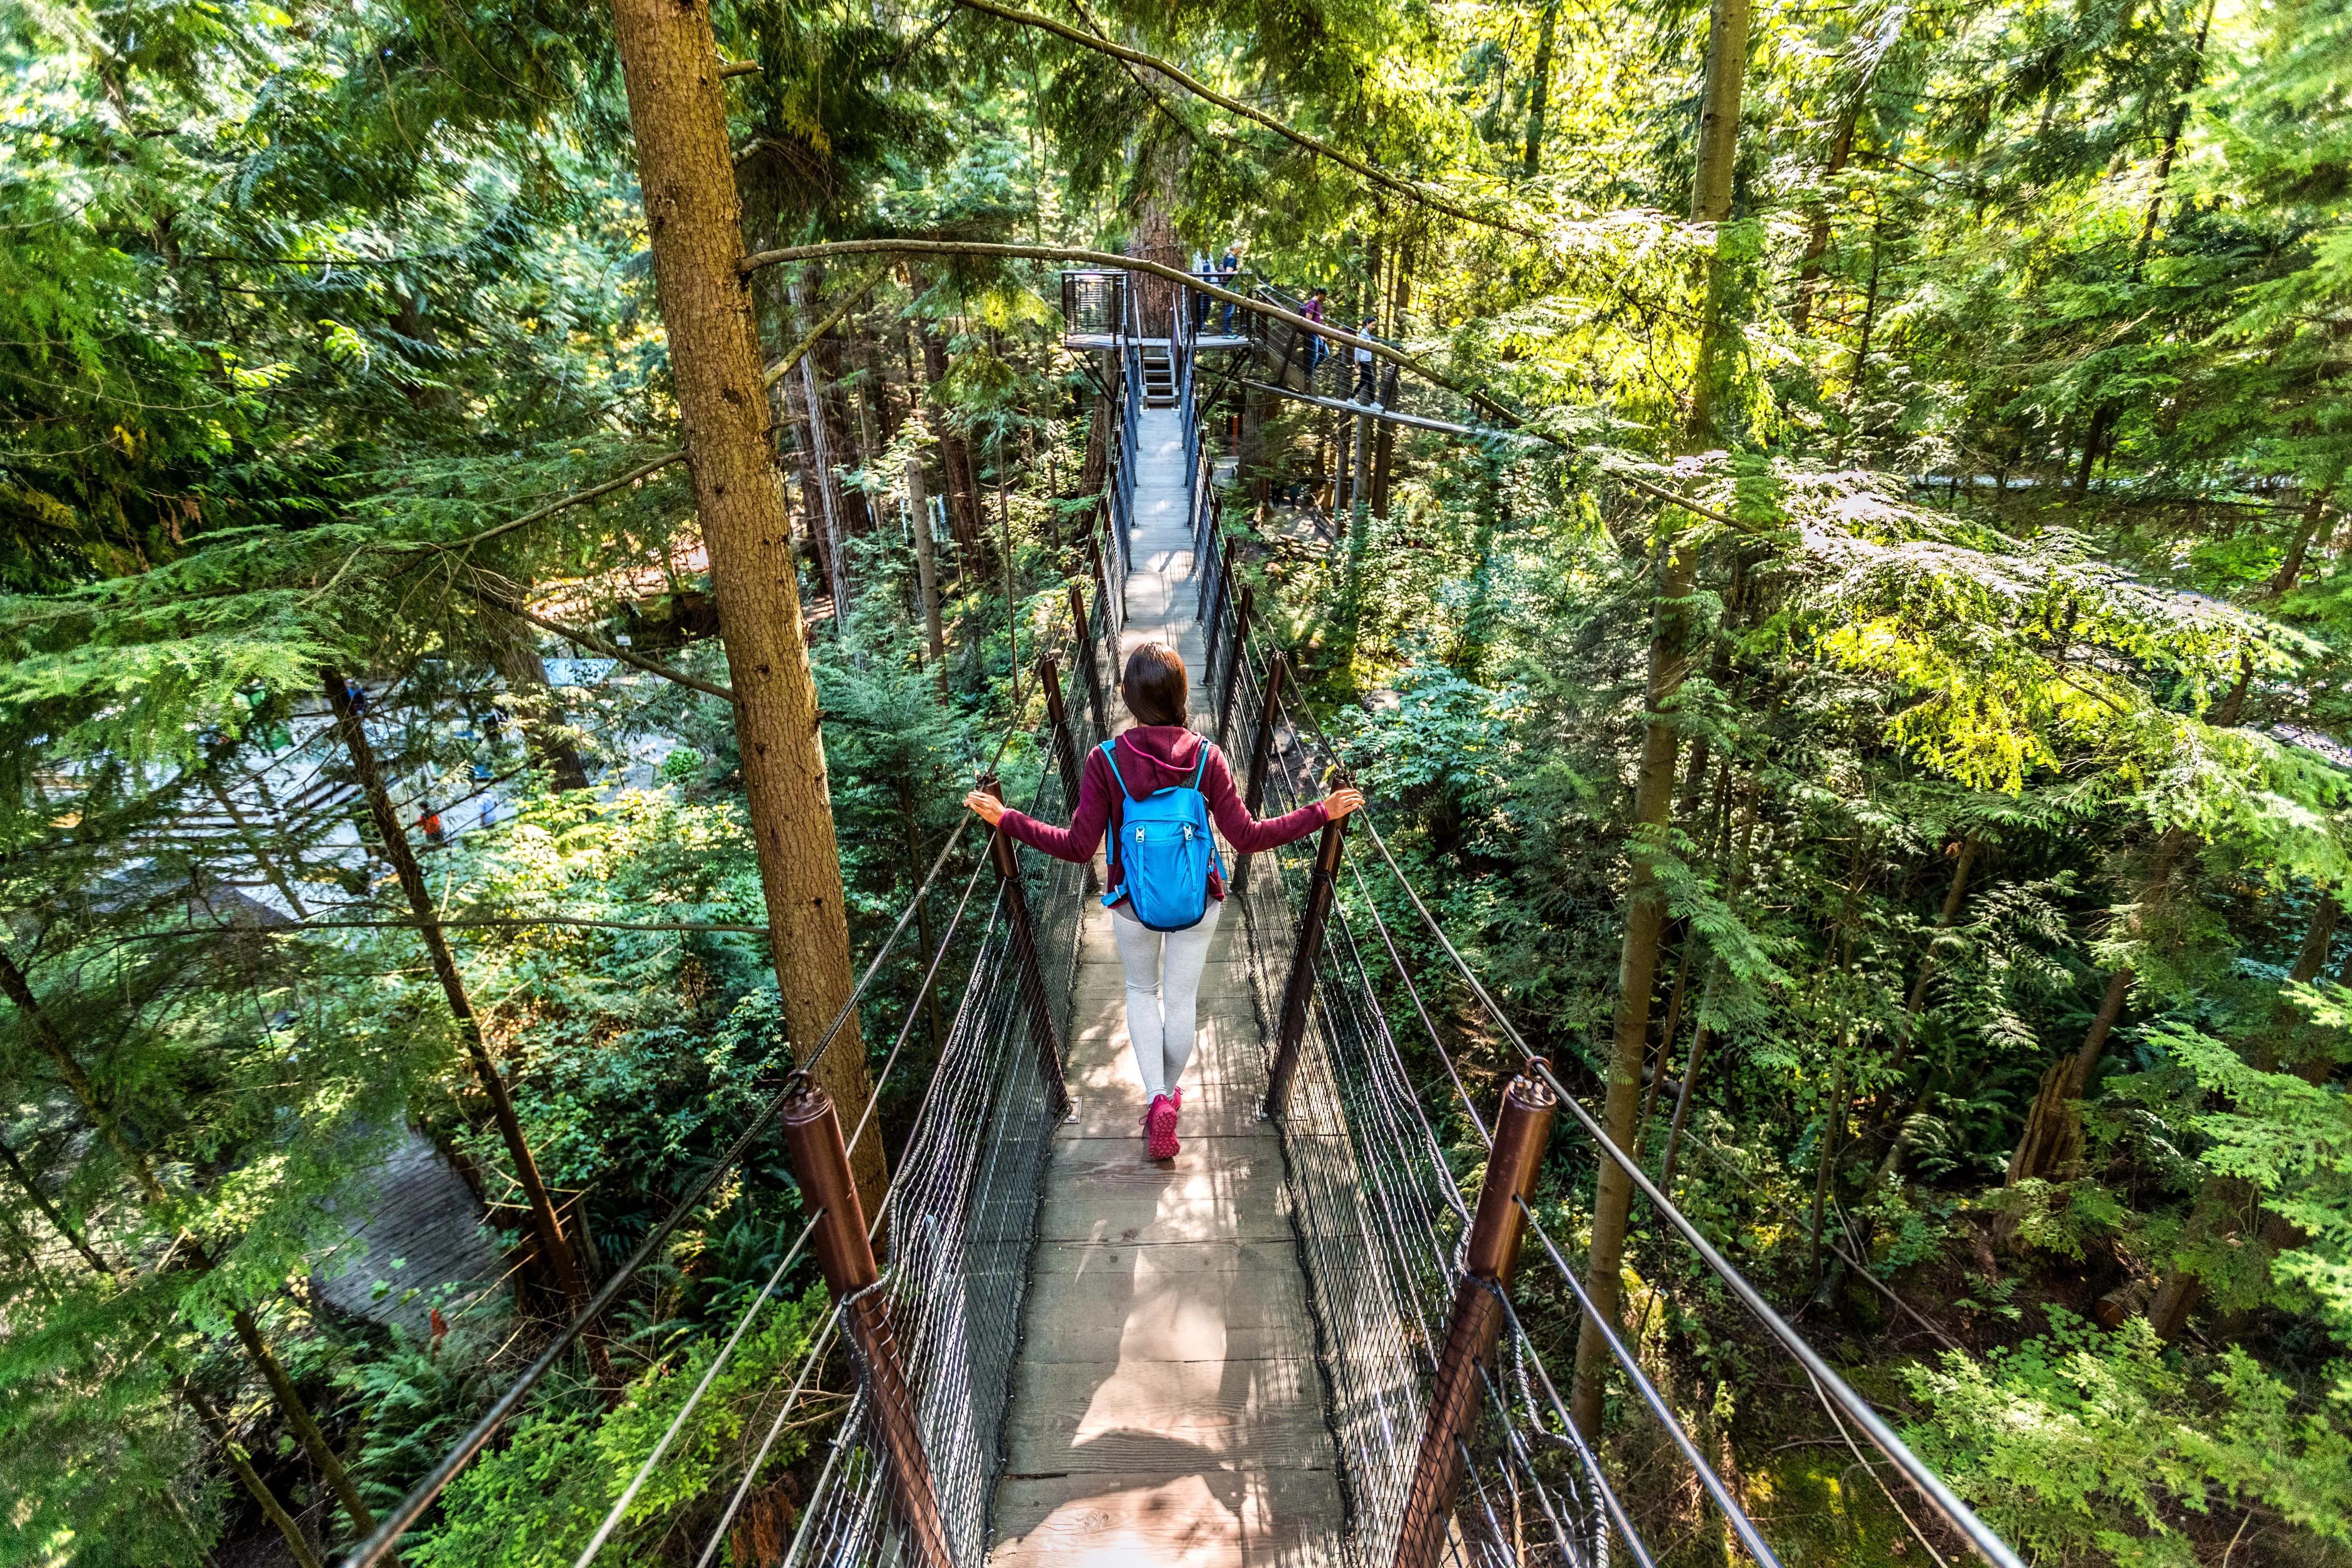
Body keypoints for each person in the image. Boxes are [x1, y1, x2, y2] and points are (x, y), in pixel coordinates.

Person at [965, 645, 1363, 1160]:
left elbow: (1077, 847)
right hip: (1200, 899)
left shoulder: (1104, 760)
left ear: (1128, 698)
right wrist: (1320, 811)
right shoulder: (1207, 757)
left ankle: (1156, 1097)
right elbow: (1246, 837)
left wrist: (1006, 819)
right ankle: (1167, 1099)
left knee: (1140, 989)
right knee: (1180, 1003)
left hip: (1133, 901)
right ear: (1182, 696)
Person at [1352, 318, 1379, 404]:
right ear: (1367, 323)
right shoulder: (1364, 333)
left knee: (1364, 381)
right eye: (1373, 325)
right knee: (1370, 381)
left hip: (1366, 360)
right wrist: (1357, 360)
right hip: (1364, 360)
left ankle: (1351, 398)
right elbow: (1358, 347)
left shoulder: (1366, 333)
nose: (1374, 327)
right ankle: (1373, 403)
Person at [1216, 244, 1241, 333]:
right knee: (1229, 310)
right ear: (1237, 249)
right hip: (1230, 286)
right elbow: (1229, 273)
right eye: (1240, 249)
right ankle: (1227, 332)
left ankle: (1227, 331)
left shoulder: (1228, 257)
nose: (1241, 251)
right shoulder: (1232, 259)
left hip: (1227, 285)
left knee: (1229, 309)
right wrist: (1237, 271)